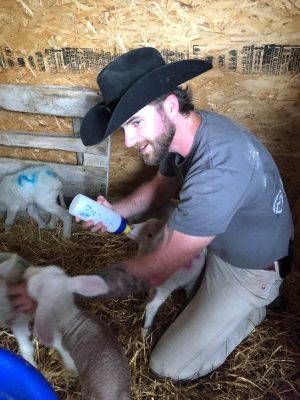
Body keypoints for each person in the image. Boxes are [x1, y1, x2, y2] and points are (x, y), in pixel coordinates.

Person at [10, 47, 294, 381]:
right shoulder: (182, 135)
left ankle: (255, 309)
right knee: (171, 222)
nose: (129, 141)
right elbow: (160, 187)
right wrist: (115, 211)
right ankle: (209, 294)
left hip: (249, 270)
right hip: (216, 240)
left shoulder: (219, 168)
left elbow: (157, 267)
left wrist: (62, 289)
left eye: (135, 123)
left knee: (168, 367)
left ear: (170, 106)